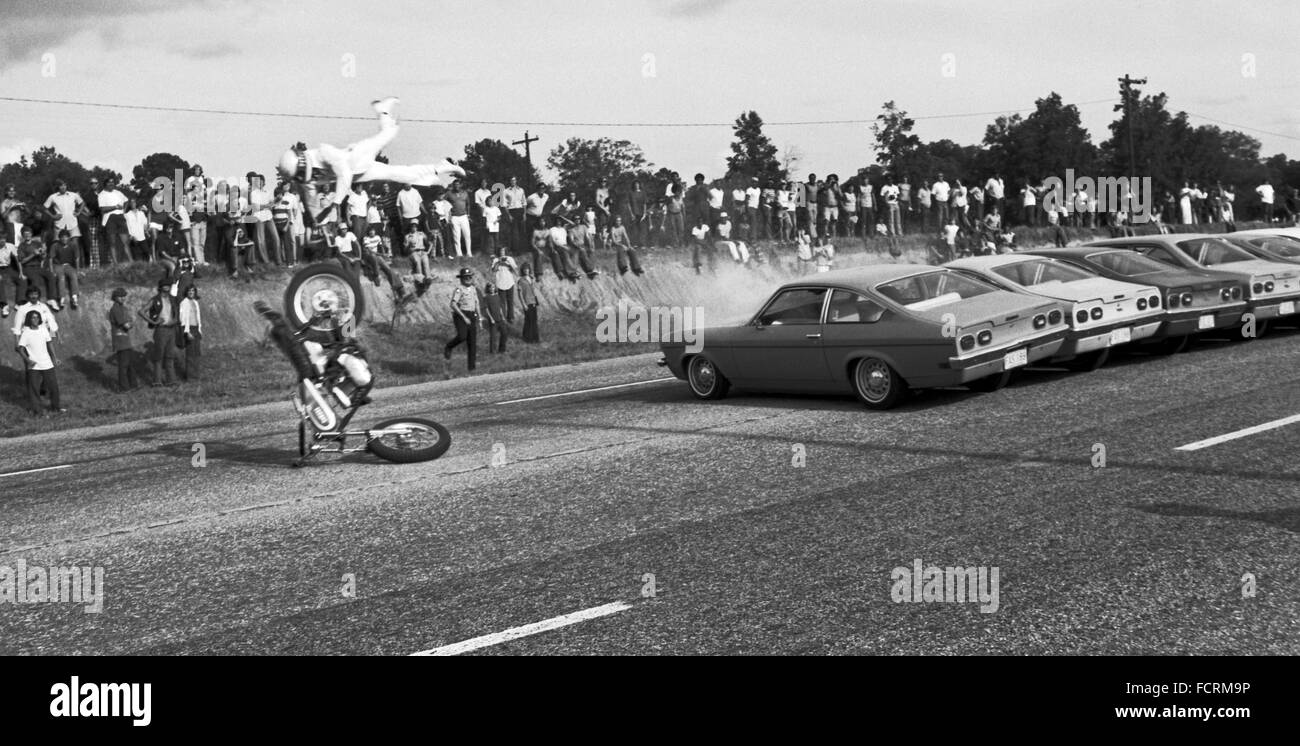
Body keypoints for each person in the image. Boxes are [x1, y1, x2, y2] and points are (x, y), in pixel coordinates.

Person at [276, 97, 465, 225]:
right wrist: (317, 219)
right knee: (399, 174)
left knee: (389, 133)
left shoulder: (324, 152)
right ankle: (440, 167)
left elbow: (344, 174)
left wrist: (334, 205)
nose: (306, 177)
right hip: (360, 174)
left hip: (356, 158)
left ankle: (383, 110)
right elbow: (310, 200)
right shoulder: (303, 179)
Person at [256, 299, 373, 407]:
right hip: (315, 361)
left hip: (316, 362)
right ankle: (275, 319)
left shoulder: (348, 368)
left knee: (291, 343)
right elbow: (342, 341)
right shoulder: (347, 362)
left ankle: (275, 320)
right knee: (292, 343)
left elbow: (342, 340)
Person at [17, 310, 64, 415]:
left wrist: (54, 358)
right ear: (29, 319)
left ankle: (56, 408)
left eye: (37, 317)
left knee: (53, 387)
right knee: (34, 389)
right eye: (33, 317)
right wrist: (28, 360)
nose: (35, 319)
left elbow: (50, 344)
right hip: (34, 366)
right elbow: (20, 349)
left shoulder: (44, 330)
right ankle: (37, 412)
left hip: (47, 364)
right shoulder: (26, 333)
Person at [138, 279, 180, 386]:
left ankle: (171, 380)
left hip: (171, 329)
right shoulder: (155, 299)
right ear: (160, 287)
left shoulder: (172, 299)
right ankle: (157, 381)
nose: (167, 287)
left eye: (168, 285)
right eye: (164, 285)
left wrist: (175, 320)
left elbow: (177, 312)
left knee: (170, 356)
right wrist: (153, 322)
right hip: (161, 330)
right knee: (159, 357)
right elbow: (141, 311)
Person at [444, 267, 480, 371]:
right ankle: (449, 346)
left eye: (469, 277)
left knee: (472, 342)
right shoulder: (459, 289)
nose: (468, 278)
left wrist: (479, 317)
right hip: (461, 314)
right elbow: (453, 304)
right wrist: (464, 317)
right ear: (462, 279)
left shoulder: (473, 288)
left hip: (472, 314)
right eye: (466, 277)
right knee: (462, 336)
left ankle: (471, 368)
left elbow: (476, 302)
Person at [108, 287, 139, 392]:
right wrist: (131, 323)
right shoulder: (115, 309)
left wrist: (130, 323)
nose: (122, 298)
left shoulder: (122, 308)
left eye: (123, 296)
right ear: (115, 298)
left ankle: (133, 385)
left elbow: (129, 322)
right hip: (120, 340)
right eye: (119, 296)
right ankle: (124, 388)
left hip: (125, 339)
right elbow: (126, 325)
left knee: (129, 364)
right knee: (123, 365)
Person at [49, 229, 80, 310]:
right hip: (58, 265)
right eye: (62, 237)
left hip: (68, 265)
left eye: (66, 237)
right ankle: (62, 298)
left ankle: (74, 297)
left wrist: (78, 269)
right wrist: (52, 271)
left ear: (69, 238)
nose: (64, 239)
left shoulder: (73, 245)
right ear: (59, 238)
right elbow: (50, 259)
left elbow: (77, 258)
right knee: (61, 277)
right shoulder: (55, 245)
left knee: (74, 275)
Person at [178, 284, 202, 381]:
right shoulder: (184, 303)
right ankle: (191, 377)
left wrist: (199, 329)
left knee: (196, 353)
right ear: (186, 292)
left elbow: (198, 317)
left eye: (193, 291)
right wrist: (187, 332)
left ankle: (196, 375)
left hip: (196, 329)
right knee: (190, 354)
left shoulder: (195, 302)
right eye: (189, 291)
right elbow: (183, 319)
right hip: (189, 329)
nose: (191, 292)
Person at [406, 223, 433, 295]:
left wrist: (428, 251)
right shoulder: (408, 236)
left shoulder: (421, 234)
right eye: (412, 227)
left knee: (425, 263)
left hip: (422, 251)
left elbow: (429, 243)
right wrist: (408, 246)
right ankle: (420, 280)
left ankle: (428, 278)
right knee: (417, 262)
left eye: (415, 227)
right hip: (414, 251)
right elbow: (405, 248)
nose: (414, 228)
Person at [490, 252, 519, 321]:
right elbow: (493, 270)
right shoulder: (495, 260)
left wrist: (507, 263)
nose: (502, 253)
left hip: (509, 282)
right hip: (500, 283)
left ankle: (511, 317)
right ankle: (503, 318)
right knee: (502, 302)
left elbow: (515, 271)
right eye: (500, 251)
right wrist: (499, 262)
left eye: (503, 251)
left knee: (510, 301)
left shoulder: (510, 259)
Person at [482, 282, 508, 354]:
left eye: (493, 287)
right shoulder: (486, 297)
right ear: (488, 288)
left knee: (504, 333)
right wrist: (491, 318)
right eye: (490, 287)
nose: (492, 289)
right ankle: (493, 352)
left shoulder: (497, 296)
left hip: (500, 319)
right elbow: (486, 309)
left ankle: (502, 350)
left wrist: (502, 316)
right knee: (493, 337)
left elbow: (500, 307)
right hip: (493, 320)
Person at [518, 264, 540, 343]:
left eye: (527, 269)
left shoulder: (531, 278)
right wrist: (523, 304)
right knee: (528, 320)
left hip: (533, 301)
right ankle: (528, 338)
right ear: (522, 270)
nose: (526, 270)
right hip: (527, 302)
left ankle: (535, 338)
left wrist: (533, 281)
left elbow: (533, 290)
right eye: (524, 269)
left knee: (534, 320)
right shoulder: (521, 280)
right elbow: (520, 294)